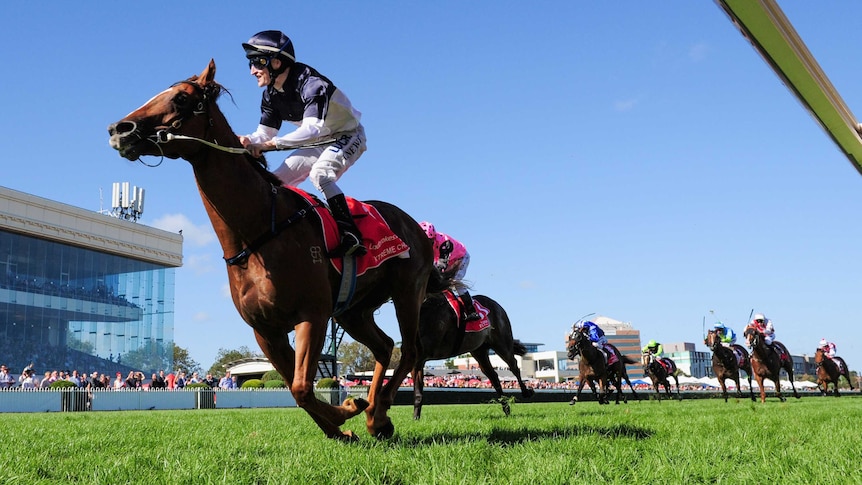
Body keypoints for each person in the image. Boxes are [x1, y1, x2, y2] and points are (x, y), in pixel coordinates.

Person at [238, 30, 368, 257]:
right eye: (250, 63)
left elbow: (311, 128)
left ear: (276, 62)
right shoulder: (271, 94)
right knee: (276, 182)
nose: (252, 71)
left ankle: (351, 234)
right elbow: (264, 132)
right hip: (318, 141)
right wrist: (248, 140)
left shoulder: (311, 84)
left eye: (257, 62)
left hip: (347, 136)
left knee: (321, 174)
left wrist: (271, 145)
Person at [419, 221, 480, 321]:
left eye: (429, 241)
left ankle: (471, 310)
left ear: (434, 237)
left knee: (455, 282)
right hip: (443, 259)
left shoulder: (445, 243)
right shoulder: (421, 245)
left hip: (460, 258)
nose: (427, 245)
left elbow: (441, 267)